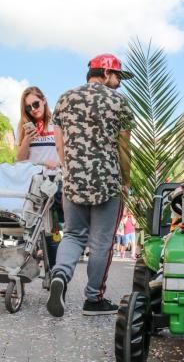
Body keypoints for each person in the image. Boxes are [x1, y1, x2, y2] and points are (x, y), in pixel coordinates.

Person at [46, 54, 133, 317]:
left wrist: (71, 170)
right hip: (108, 181)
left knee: (72, 234)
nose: (119, 83)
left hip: (73, 180)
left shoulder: (65, 98)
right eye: (117, 76)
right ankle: (93, 299)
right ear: (106, 73)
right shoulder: (119, 101)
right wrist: (126, 181)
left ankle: (60, 275)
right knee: (101, 242)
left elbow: (59, 144)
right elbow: (124, 146)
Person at [16, 86, 62, 267]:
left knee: (51, 230)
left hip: (54, 182)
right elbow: (19, 160)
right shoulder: (25, 127)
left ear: (43, 100)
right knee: (26, 228)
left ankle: (54, 273)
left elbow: (65, 152)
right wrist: (27, 139)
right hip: (34, 184)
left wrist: (58, 163)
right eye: (28, 107)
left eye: (35, 104)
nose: (33, 109)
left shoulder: (56, 124)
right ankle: (19, 271)